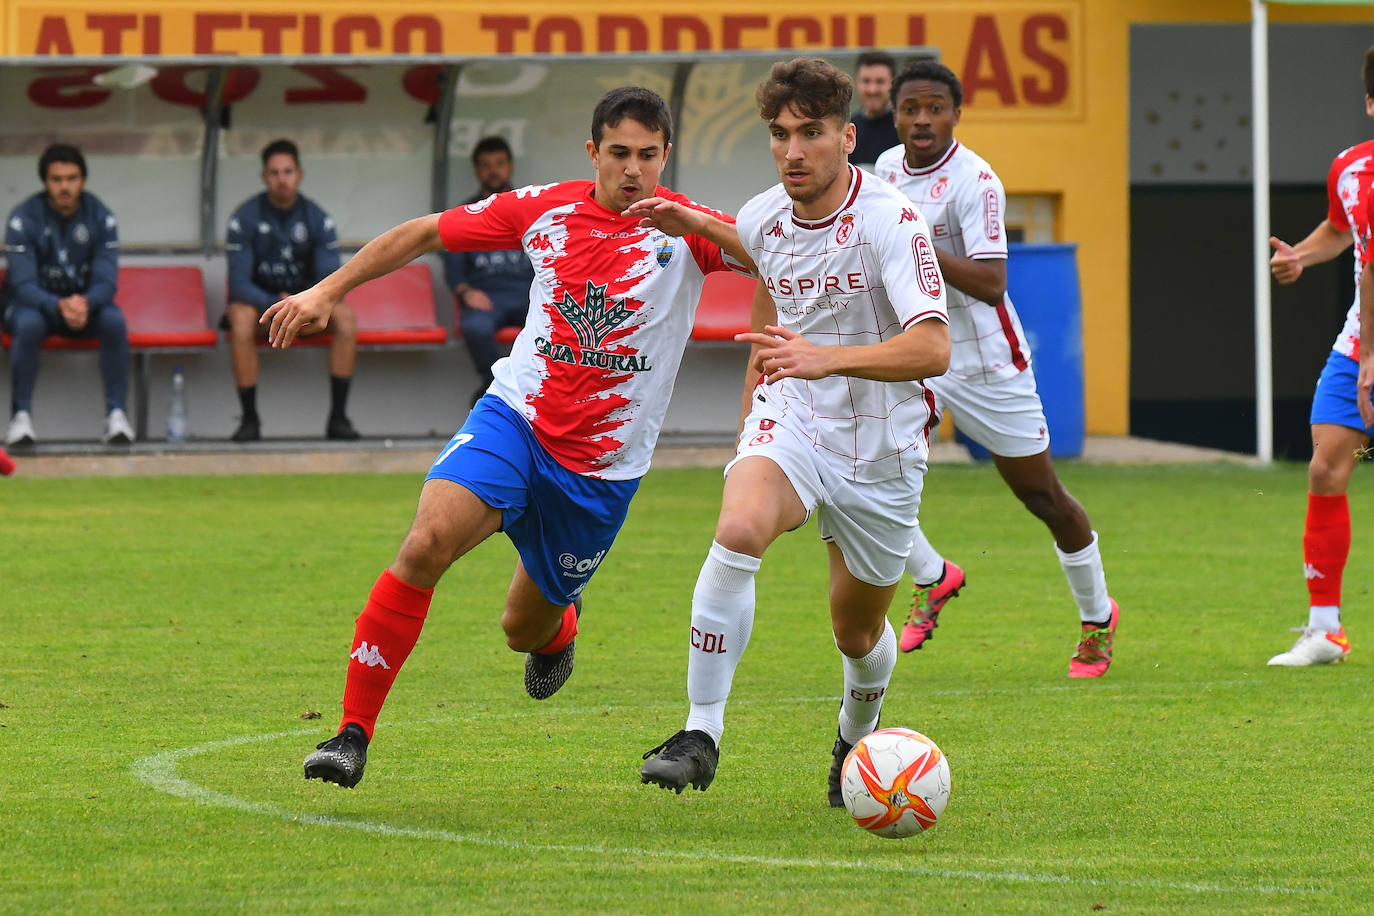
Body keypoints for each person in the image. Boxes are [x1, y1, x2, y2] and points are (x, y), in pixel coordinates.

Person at [274, 87, 748, 789]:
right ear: (593, 153)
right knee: (425, 543)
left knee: (522, 628)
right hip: (516, 420)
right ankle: (351, 734)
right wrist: (327, 291)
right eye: (618, 154)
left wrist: (695, 223)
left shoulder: (689, 230)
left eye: (648, 156)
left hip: (600, 473)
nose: (633, 171)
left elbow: (781, 257)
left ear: (665, 157)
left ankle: (560, 629)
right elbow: (428, 231)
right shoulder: (545, 209)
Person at [637, 57, 950, 804]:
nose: (792, 151)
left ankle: (854, 734)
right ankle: (700, 732)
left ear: (846, 138)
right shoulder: (762, 215)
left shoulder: (890, 221)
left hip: (884, 448)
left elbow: (934, 346)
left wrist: (825, 356)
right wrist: (693, 222)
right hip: (796, 422)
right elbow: (759, 251)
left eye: (810, 133)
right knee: (740, 526)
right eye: (779, 135)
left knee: (856, 634)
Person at [872, 60, 1119, 677]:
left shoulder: (976, 181)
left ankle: (1096, 618)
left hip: (984, 360)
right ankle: (933, 576)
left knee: (1042, 496)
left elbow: (991, 282)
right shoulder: (886, 171)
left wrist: (918, 245)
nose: (921, 119)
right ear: (895, 115)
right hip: (917, 348)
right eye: (910, 109)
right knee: (863, 468)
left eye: (934, 108)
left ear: (956, 113)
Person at [1265, 44, 1374, 667]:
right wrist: (1303, 255)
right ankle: (1324, 630)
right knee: (1326, 469)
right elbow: (1342, 230)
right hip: (1361, 338)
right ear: (1368, 102)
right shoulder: (1350, 169)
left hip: (1367, 348)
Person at [223, 138, 359, 442]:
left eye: (287, 172)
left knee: (346, 317)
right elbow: (239, 285)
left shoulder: (317, 218)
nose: (281, 179)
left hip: (306, 312)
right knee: (240, 318)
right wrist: (275, 303)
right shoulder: (245, 217)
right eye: (274, 173)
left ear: (300, 174)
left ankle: (338, 418)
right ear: (264, 177)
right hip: (263, 312)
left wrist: (300, 304)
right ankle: (249, 419)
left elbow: (330, 280)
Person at [2, 143, 133, 447]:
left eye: (71, 178)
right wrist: (59, 305)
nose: (64, 186)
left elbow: (106, 280)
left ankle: (116, 415)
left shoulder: (100, 216)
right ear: (45, 182)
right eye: (56, 179)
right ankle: (20, 418)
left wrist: (85, 303)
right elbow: (22, 284)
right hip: (33, 307)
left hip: (82, 307)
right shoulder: (24, 216)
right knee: (29, 324)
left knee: (114, 320)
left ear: (82, 180)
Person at [444, 136, 536, 406]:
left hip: (528, 294)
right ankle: (494, 385)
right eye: (485, 165)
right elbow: (453, 265)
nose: (493, 170)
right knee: (475, 326)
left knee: (555, 324)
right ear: (477, 171)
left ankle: (536, 389)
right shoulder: (464, 213)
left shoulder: (530, 207)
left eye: (499, 164)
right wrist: (464, 291)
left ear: (511, 167)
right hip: (487, 295)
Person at [848, 50, 899, 168]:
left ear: (893, 84)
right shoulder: (848, 127)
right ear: (857, 83)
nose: (872, 90)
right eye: (866, 81)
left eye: (880, 82)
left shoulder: (905, 128)